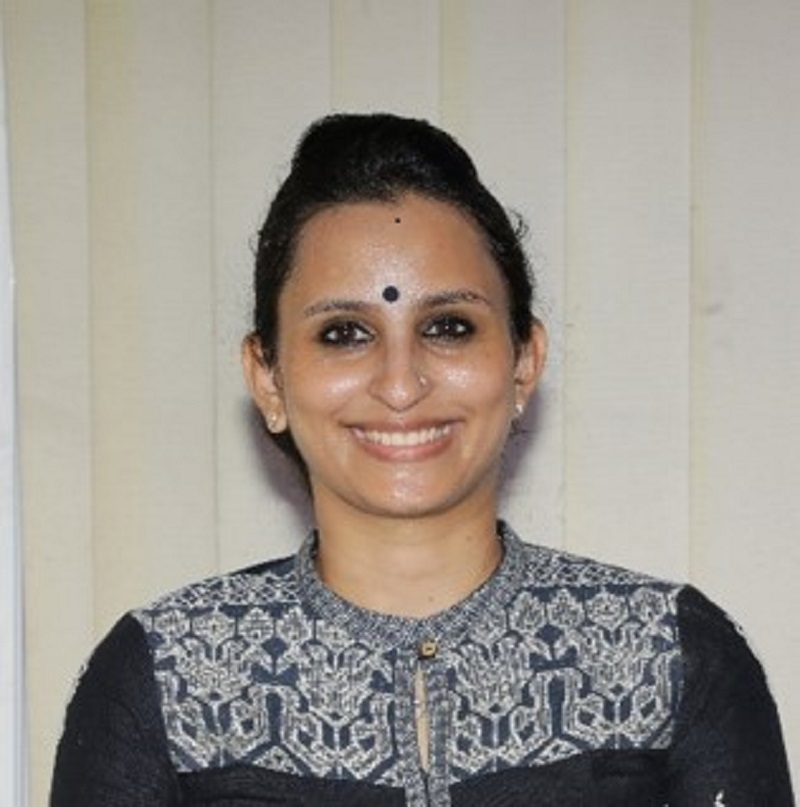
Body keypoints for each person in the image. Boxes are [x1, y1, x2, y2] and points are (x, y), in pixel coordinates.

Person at [51, 113, 794, 806]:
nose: (401, 384)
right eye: (344, 333)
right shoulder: (167, 673)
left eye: (448, 326)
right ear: (268, 378)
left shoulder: (667, 654)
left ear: (524, 362)